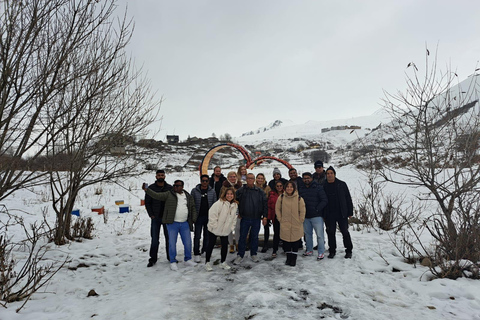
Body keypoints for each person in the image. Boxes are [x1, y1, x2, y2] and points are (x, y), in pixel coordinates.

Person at [143, 180, 197, 271]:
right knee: (172, 243)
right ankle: (172, 261)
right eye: (174, 185)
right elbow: (157, 195)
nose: (175, 187)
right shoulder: (168, 194)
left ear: (182, 186)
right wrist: (147, 190)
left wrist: (193, 219)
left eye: (177, 186)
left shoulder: (188, 196)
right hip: (172, 223)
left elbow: (192, 207)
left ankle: (187, 259)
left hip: (184, 223)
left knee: (188, 243)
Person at [234, 173, 268, 265]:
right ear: (246, 179)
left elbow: (265, 204)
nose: (250, 180)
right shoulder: (241, 190)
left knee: (254, 237)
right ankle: (240, 255)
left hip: (256, 218)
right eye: (248, 178)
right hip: (244, 218)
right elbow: (234, 201)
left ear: (254, 180)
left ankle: (254, 253)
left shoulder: (260, 192)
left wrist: (265, 216)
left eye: (252, 178)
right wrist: (238, 212)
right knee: (242, 237)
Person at [323, 166, 354, 259]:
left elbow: (348, 198)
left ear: (334, 174)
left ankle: (349, 250)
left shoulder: (341, 184)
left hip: (342, 213)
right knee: (330, 232)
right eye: (328, 173)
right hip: (329, 213)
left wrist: (350, 211)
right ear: (326, 175)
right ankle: (332, 250)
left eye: (331, 173)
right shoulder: (323, 185)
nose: (329, 175)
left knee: (344, 231)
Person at [204, 188, 238, 271]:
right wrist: (214, 226)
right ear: (225, 195)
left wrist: (231, 227)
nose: (229, 195)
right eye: (228, 194)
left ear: (233, 195)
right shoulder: (219, 203)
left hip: (225, 229)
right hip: (214, 229)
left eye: (231, 194)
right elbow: (212, 214)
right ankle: (207, 262)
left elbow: (234, 218)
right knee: (211, 245)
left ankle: (223, 262)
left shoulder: (235, 205)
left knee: (224, 246)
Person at [145, 170, 172, 267]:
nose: (160, 176)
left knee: (169, 239)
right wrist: (151, 214)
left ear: (165, 176)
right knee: (155, 239)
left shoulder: (169, 188)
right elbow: (147, 202)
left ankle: (171, 257)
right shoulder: (151, 188)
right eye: (159, 175)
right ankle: (153, 259)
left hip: (167, 218)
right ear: (156, 176)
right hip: (155, 217)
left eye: (162, 175)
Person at [298, 172, 328, 260]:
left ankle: (321, 252)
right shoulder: (301, 188)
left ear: (311, 178)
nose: (306, 180)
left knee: (319, 235)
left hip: (317, 216)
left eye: (308, 178)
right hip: (306, 216)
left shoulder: (318, 187)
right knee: (307, 234)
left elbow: (324, 200)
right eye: (304, 178)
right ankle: (309, 250)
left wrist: (317, 209)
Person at [275, 181, 306, 267]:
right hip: (285, 223)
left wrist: (300, 220)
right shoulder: (281, 197)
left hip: (296, 223)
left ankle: (294, 259)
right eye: (287, 187)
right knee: (286, 242)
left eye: (291, 187)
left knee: (295, 241)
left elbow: (302, 210)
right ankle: (288, 258)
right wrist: (280, 219)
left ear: (294, 188)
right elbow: (277, 209)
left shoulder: (299, 198)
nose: (289, 188)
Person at [191, 174, 217, 262]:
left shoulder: (212, 191)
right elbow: (191, 204)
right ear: (200, 181)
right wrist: (192, 216)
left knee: (207, 235)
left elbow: (215, 204)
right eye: (203, 181)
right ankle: (196, 253)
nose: (204, 182)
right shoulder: (195, 191)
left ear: (208, 182)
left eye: (206, 181)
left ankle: (204, 250)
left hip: (208, 217)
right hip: (198, 217)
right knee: (197, 236)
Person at [220, 171, 242, 253]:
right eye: (231, 177)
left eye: (234, 176)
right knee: (228, 229)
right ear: (228, 177)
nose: (233, 178)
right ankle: (231, 245)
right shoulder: (224, 187)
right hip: (227, 210)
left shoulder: (240, 186)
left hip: (237, 210)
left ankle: (237, 244)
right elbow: (221, 198)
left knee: (237, 228)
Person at [255, 173, 271, 253]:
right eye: (259, 178)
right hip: (255, 209)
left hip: (265, 208)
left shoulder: (267, 188)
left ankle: (266, 244)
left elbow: (269, 198)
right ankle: (252, 242)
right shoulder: (254, 187)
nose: (260, 180)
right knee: (254, 227)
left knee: (266, 226)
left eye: (262, 178)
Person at [267, 181, 284, 257]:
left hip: (285, 217)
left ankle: (286, 249)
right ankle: (275, 249)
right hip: (276, 216)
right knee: (276, 233)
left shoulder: (286, 194)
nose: (279, 187)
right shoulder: (272, 195)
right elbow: (270, 207)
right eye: (278, 186)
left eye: (280, 186)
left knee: (285, 234)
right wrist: (269, 217)